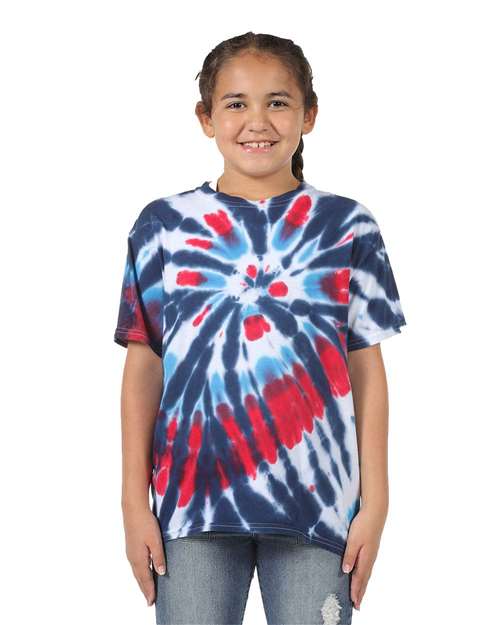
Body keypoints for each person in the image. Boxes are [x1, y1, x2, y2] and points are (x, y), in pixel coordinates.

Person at [114, 31, 407, 625]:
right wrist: (132, 502)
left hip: (319, 508)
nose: (258, 121)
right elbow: (144, 368)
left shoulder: (347, 226)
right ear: (206, 118)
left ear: (309, 115)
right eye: (236, 103)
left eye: (277, 102)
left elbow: (366, 371)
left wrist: (375, 504)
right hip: (190, 507)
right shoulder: (163, 225)